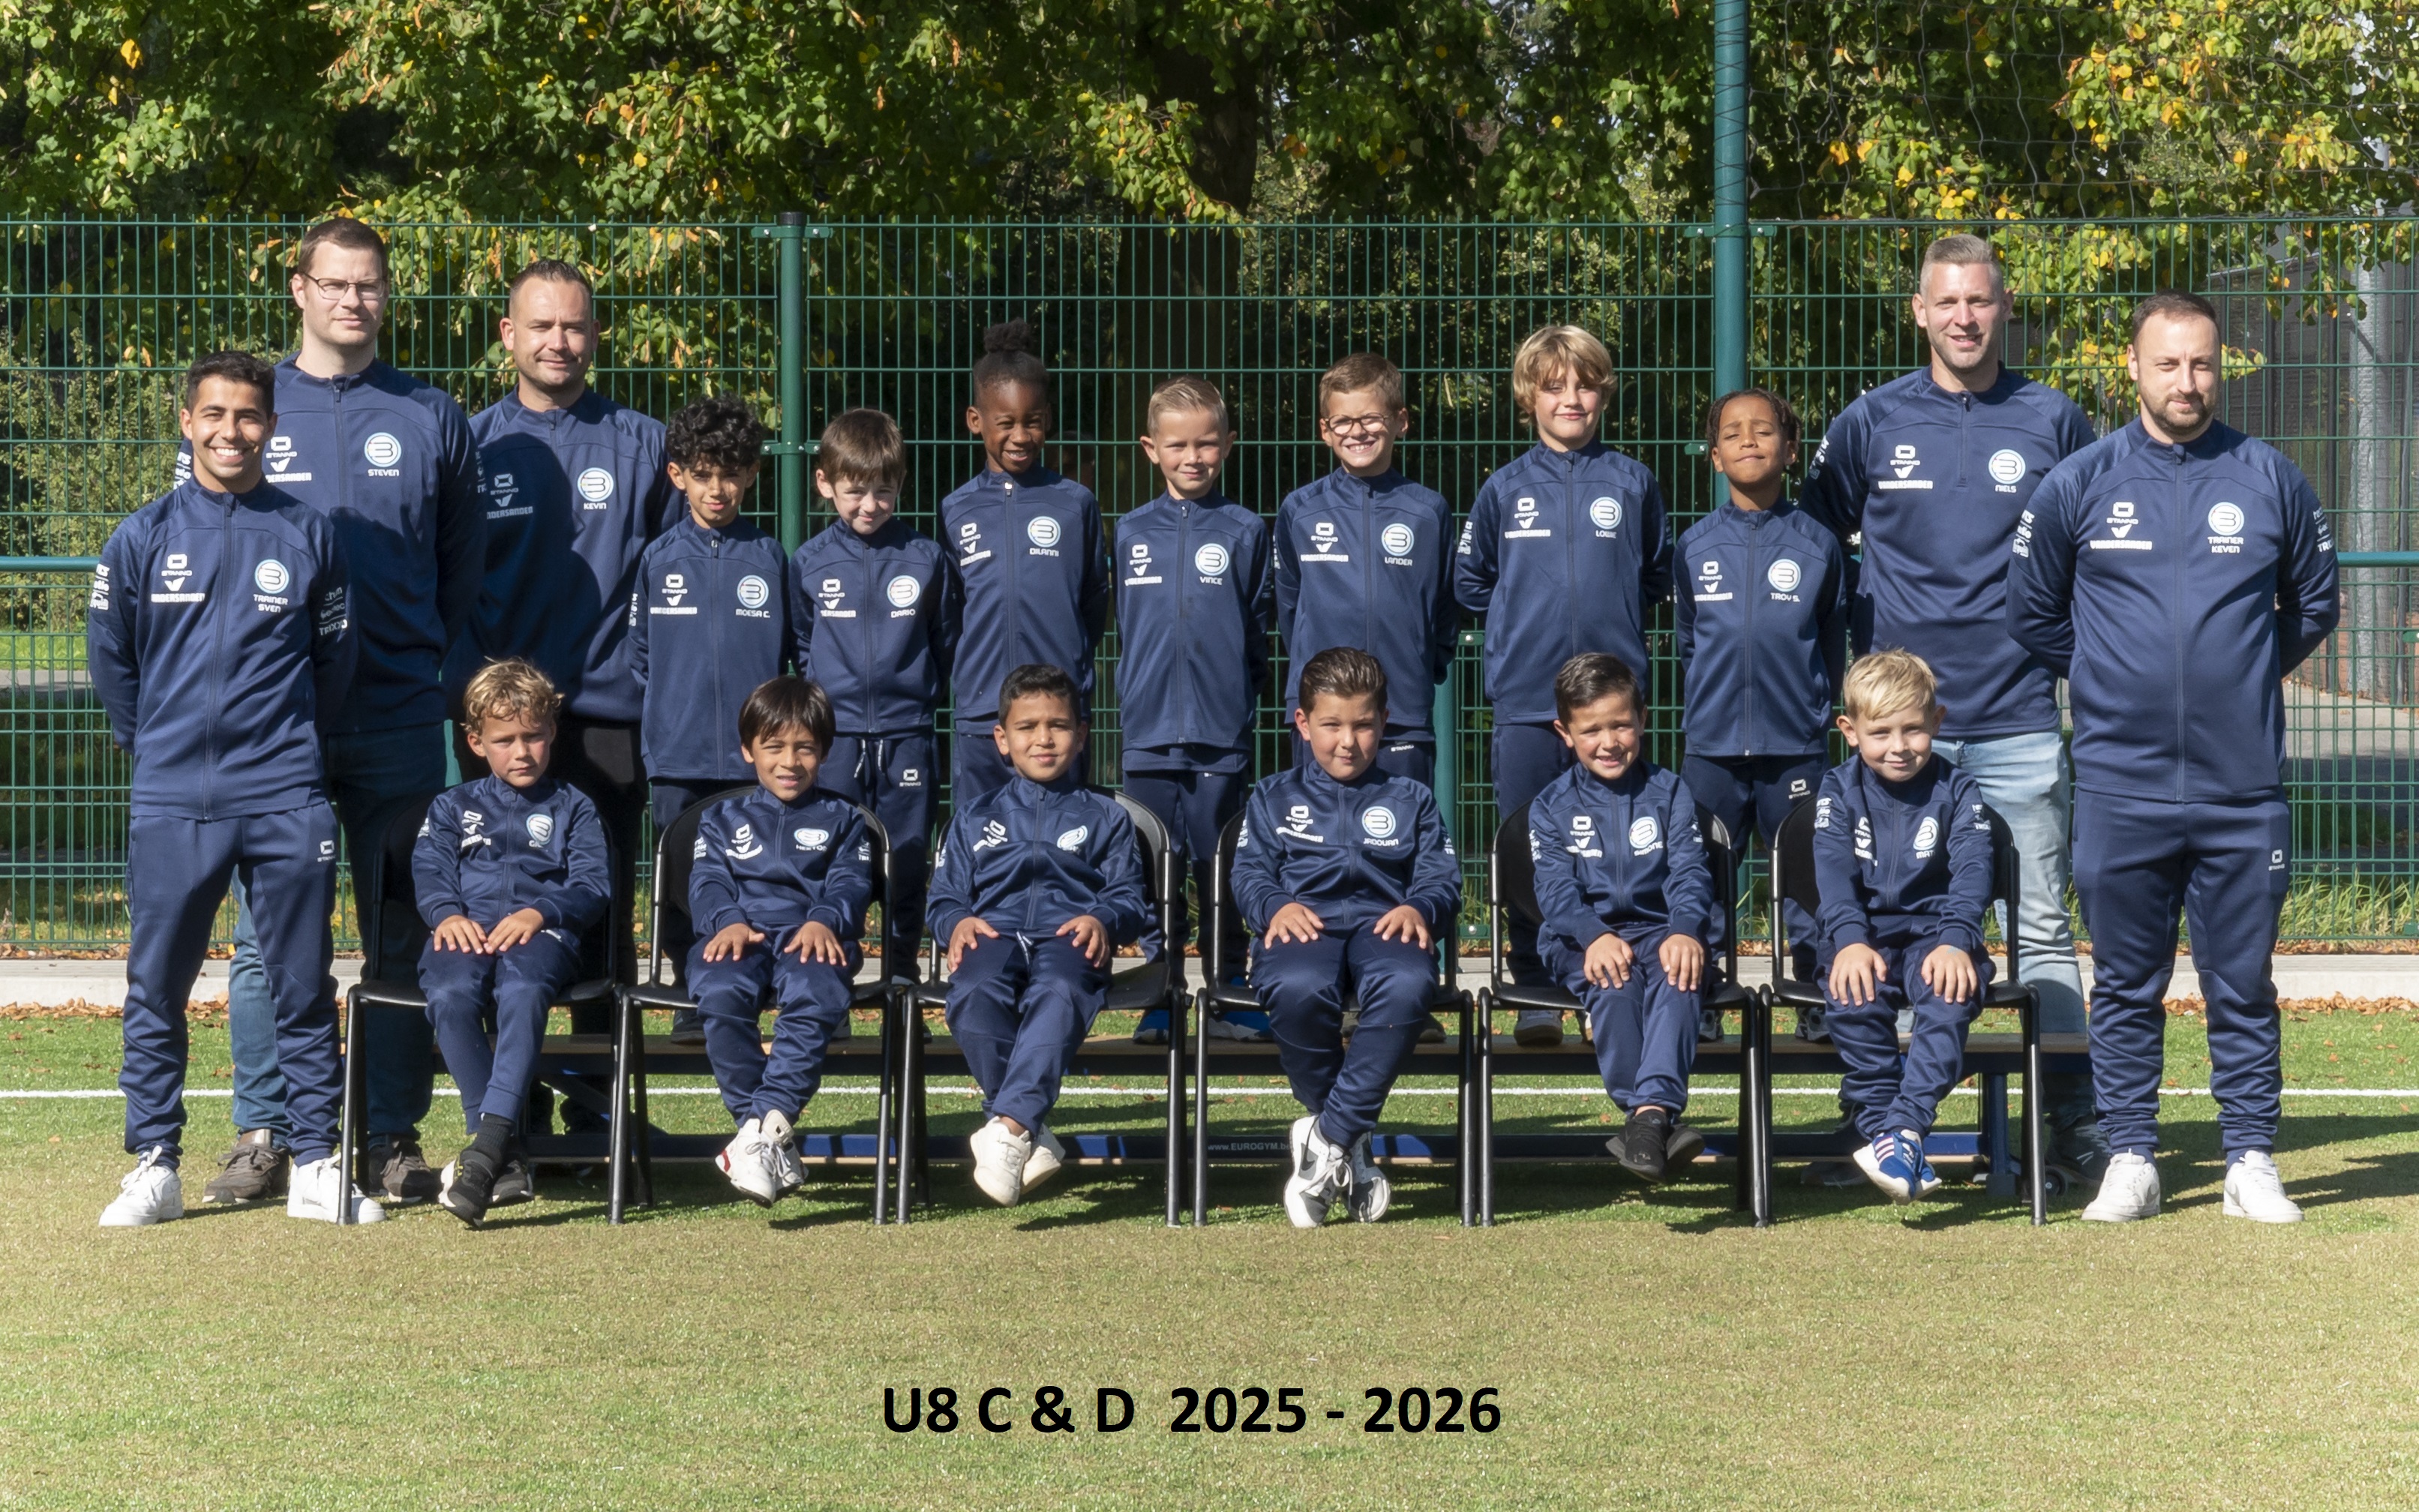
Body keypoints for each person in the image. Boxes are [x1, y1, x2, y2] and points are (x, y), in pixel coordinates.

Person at [2008, 290, 2340, 1225]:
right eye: (2168, 364)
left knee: (2243, 985)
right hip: (2122, 783)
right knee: (2125, 983)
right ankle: (2130, 1158)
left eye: (2201, 364)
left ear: (2218, 367)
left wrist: (2242, 676)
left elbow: (2314, 605)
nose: (2186, 381)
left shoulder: (2271, 478)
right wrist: (2111, 677)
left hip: (2243, 789)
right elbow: (2032, 613)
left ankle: (2250, 1161)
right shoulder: (2079, 482)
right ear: (2133, 368)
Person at [1796, 233, 2108, 1182]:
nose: (1964, 318)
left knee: (2040, 929)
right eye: (1948, 302)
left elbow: (2095, 549)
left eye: (1980, 300)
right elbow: (1813, 544)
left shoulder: (2055, 420)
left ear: (2004, 308)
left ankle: (2070, 1124)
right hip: (1897, 739)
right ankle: (1875, 1119)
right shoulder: (1869, 421)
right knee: (1880, 929)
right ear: (1919, 312)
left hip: (2015, 721)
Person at [194, 218, 484, 1209]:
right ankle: (267, 1132)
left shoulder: (432, 415)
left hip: (400, 719)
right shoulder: (252, 409)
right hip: (279, 726)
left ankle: (390, 1134)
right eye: (335, 283)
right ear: (300, 289)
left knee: (406, 933)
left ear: (385, 295)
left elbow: (461, 566)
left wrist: (420, 654)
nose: (353, 301)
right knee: (271, 939)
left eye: (369, 285)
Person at [90, 350, 375, 1226]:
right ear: (187, 423)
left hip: (285, 791)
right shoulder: (140, 537)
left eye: (248, 416)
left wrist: (286, 745)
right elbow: (112, 663)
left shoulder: (309, 533)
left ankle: (317, 1161)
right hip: (174, 795)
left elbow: (334, 664)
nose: (231, 431)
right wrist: (159, 749)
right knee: (156, 985)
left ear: (271, 428)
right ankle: (155, 1164)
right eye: (214, 414)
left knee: (301, 982)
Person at [454, 260, 676, 1130]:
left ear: (595, 334)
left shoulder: (644, 444)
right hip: (505, 729)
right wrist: (476, 701)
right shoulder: (471, 445)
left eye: (575, 326)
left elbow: (674, 579)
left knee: (600, 913)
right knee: (497, 913)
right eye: (542, 325)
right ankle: (512, 1115)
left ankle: (599, 1114)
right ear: (508, 335)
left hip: (608, 718)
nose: (559, 341)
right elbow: (452, 582)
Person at [1454, 326, 1672, 1030]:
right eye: (1553, 387)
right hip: (1525, 698)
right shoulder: (1503, 488)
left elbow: (1655, 575)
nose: (1570, 399)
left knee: (1617, 846)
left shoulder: (1633, 482)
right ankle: (1535, 986)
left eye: (1584, 385)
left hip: (1610, 705)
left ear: (1603, 393)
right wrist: (1524, 625)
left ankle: (1609, 976)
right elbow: (1472, 581)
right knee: (1527, 842)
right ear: (1529, 398)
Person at [1232, 647, 1462, 1228]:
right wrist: (1275, 905)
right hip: (1303, 927)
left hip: (1384, 927)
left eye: (1362, 725)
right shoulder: (1271, 796)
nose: (1347, 742)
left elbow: (1442, 879)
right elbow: (1248, 874)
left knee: (1408, 982)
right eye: (1331, 725)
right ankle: (1352, 1145)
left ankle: (1327, 1136)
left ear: (1383, 722)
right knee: (1296, 985)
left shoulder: (1412, 799)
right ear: (1303, 723)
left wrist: (1419, 906)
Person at [926, 663, 1147, 1208]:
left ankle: (1008, 1128)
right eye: (1026, 727)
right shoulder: (973, 816)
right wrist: (957, 922)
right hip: (993, 938)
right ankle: (1026, 1128)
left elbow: (1129, 898)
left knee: (1060, 991)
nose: (1043, 739)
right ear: (1002, 739)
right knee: (975, 992)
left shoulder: (1108, 817)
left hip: (1070, 941)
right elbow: (944, 897)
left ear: (1082, 734)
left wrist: (1102, 919)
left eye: (1058, 725)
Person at [416, 659, 610, 1228]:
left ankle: (486, 1150)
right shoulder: (450, 807)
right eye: (505, 741)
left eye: (533, 736)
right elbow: (430, 871)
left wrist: (540, 911)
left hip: (542, 936)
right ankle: (501, 1150)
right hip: (466, 932)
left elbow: (593, 886)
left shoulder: (575, 806)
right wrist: (446, 915)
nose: (521, 752)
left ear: (552, 733)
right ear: (476, 743)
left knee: (523, 992)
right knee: (449, 995)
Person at [1112, 375, 1274, 1046]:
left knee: (1221, 869)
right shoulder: (1128, 532)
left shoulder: (1245, 529)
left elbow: (1259, 627)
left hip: (1218, 734)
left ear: (1227, 444)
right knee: (1156, 869)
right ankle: (1161, 995)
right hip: (1147, 734)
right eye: (1177, 445)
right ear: (1150, 448)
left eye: (1206, 443)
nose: (1193, 457)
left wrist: (1234, 698)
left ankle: (1229, 992)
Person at [1673, 388, 1845, 1004]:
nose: (1748, 440)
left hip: (1795, 747)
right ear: (1714, 456)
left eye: (1764, 430)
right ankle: (1704, 1000)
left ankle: (1813, 1000)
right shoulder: (1693, 545)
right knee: (1704, 881)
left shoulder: (1818, 545)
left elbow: (1830, 640)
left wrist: (1813, 710)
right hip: (1711, 750)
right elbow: (1689, 641)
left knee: (1808, 881)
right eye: (1732, 433)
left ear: (1791, 450)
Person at [1811, 650, 1995, 1204]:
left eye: (1913, 729)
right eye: (1880, 732)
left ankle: (1902, 1130)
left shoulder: (1959, 790)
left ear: (1936, 722)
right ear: (1849, 731)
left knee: (1950, 990)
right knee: (1853, 991)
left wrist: (1956, 941)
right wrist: (1849, 941)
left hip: (1935, 936)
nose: (1899, 746)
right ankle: (1889, 1133)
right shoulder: (1837, 788)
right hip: (1863, 937)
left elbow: (1973, 869)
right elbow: (1832, 871)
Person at [630, 393, 789, 1028]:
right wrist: (669, 716)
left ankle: (752, 985)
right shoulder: (658, 559)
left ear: (751, 473)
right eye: (702, 474)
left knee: (756, 874)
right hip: (678, 754)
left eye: (730, 474)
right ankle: (690, 989)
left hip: (754, 760)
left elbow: (791, 654)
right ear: (678, 475)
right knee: (682, 878)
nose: (716, 489)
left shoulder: (770, 558)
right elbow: (641, 655)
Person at [686, 677, 874, 1209]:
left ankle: (760, 1134)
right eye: (773, 747)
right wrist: (726, 921)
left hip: (813, 940)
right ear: (748, 751)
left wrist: (824, 919)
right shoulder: (718, 819)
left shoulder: (845, 821)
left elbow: (851, 883)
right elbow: (706, 882)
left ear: (825, 752)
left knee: (815, 993)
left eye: (805, 748)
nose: (789, 762)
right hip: (737, 939)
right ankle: (765, 1137)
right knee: (719, 993)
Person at [1526, 653, 1712, 1185]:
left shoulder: (1670, 791)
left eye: (1620, 725)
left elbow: (1690, 873)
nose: (1609, 742)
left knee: (1681, 975)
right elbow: (1555, 891)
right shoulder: (1550, 806)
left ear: (1643, 720)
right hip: (1579, 940)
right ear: (1565, 733)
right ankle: (1652, 1117)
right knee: (1614, 982)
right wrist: (1594, 936)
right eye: (1591, 730)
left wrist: (1684, 929)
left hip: (1660, 932)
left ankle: (1645, 1120)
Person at [791, 408, 959, 987]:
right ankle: (831, 985)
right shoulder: (809, 562)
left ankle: (901, 983)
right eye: (855, 491)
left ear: (900, 484)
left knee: (906, 862)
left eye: (883, 491)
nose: (869, 505)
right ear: (825, 484)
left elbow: (944, 642)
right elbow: (802, 645)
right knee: (834, 861)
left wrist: (913, 700)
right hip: (835, 742)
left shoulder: (926, 558)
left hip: (906, 737)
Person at [938, 321, 1109, 810]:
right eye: (1005, 423)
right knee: (983, 833)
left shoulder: (1075, 503)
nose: (1020, 435)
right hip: (982, 710)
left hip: (1055, 715)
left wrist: (1067, 664)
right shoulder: (956, 508)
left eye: (1032, 421)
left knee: (1062, 834)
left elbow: (1093, 601)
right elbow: (950, 611)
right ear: (976, 420)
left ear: (1047, 419)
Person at [1273, 352, 1457, 789]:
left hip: (1402, 709)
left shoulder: (1429, 511)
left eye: (1371, 418)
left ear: (1400, 421)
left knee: (1402, 827)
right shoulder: (1300, 510)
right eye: (1342, 421)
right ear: (1325, 431)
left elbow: (1445, 608)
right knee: (1320, 829)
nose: (1357, 431)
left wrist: (1415, 669)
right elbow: (1288, 607)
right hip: (1323, 713)